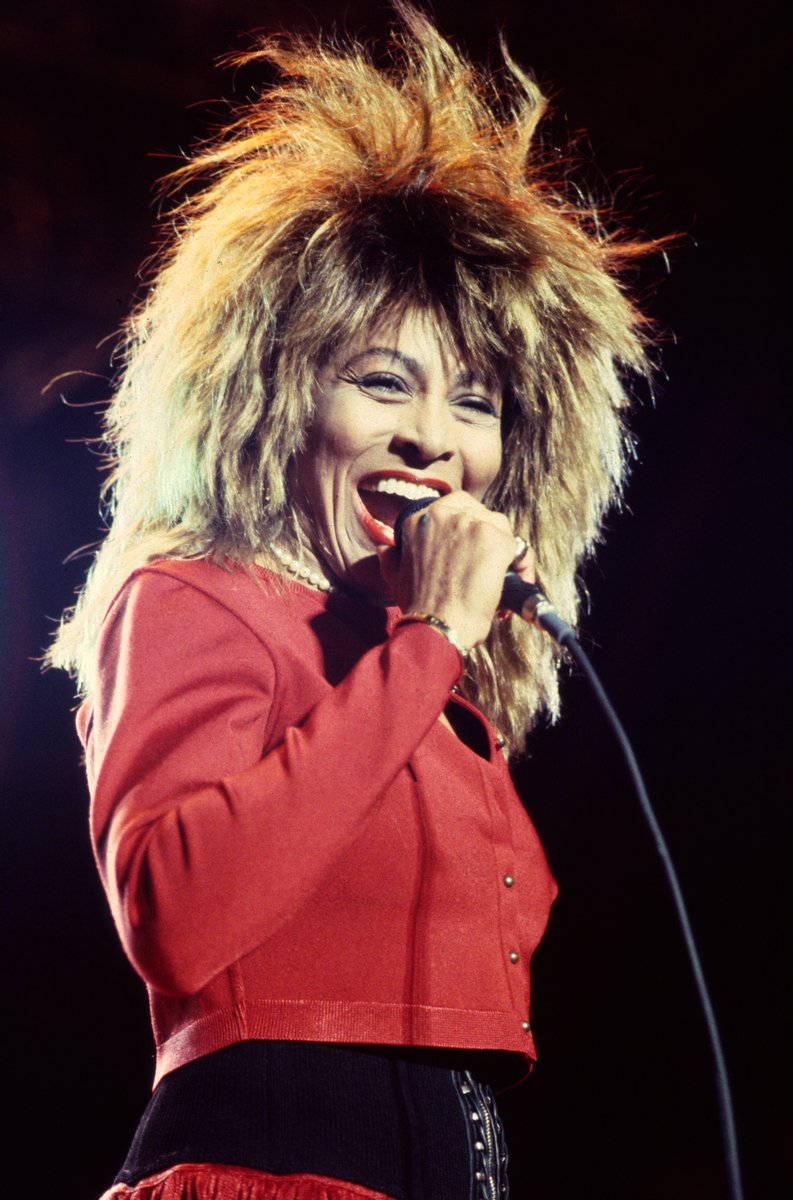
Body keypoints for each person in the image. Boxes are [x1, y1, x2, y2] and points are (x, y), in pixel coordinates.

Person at [49, 6, 653, 1198]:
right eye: (382, 382)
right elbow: (175, 913)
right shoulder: (197, 597)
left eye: (476, 403)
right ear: (272, 400)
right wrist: (427, 642)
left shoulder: (428, 691)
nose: (431, 436)